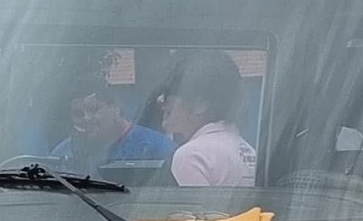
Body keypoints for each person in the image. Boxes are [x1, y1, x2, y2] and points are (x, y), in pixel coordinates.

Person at [157, 52, 257, 188]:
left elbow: (195, 209)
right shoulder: (246, 148)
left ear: (200, 105)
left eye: (169, 93)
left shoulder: (191, 155)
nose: (160, 100)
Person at [60, 75, 173, 177]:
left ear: (116, 106)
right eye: (78, 113)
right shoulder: (64, 153)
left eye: (93, 109)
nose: (86, 118)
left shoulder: (158, 149)